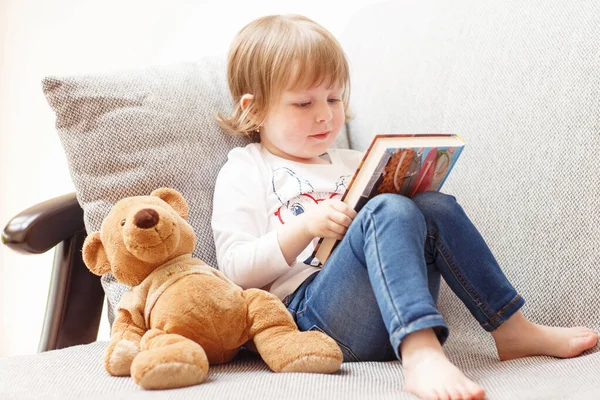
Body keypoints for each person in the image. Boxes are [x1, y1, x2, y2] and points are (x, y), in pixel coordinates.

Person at [211, 14, 598, 400]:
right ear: (255, 109)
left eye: (333, 97)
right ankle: (421, 352)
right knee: (386, 212)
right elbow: (235, 272)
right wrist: (305, 227)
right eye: (303, 103)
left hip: (387, 306)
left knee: (434, 205)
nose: (325, 114)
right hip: (313, 323)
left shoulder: (354, 161)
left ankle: (511, 328)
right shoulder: (247, 167)